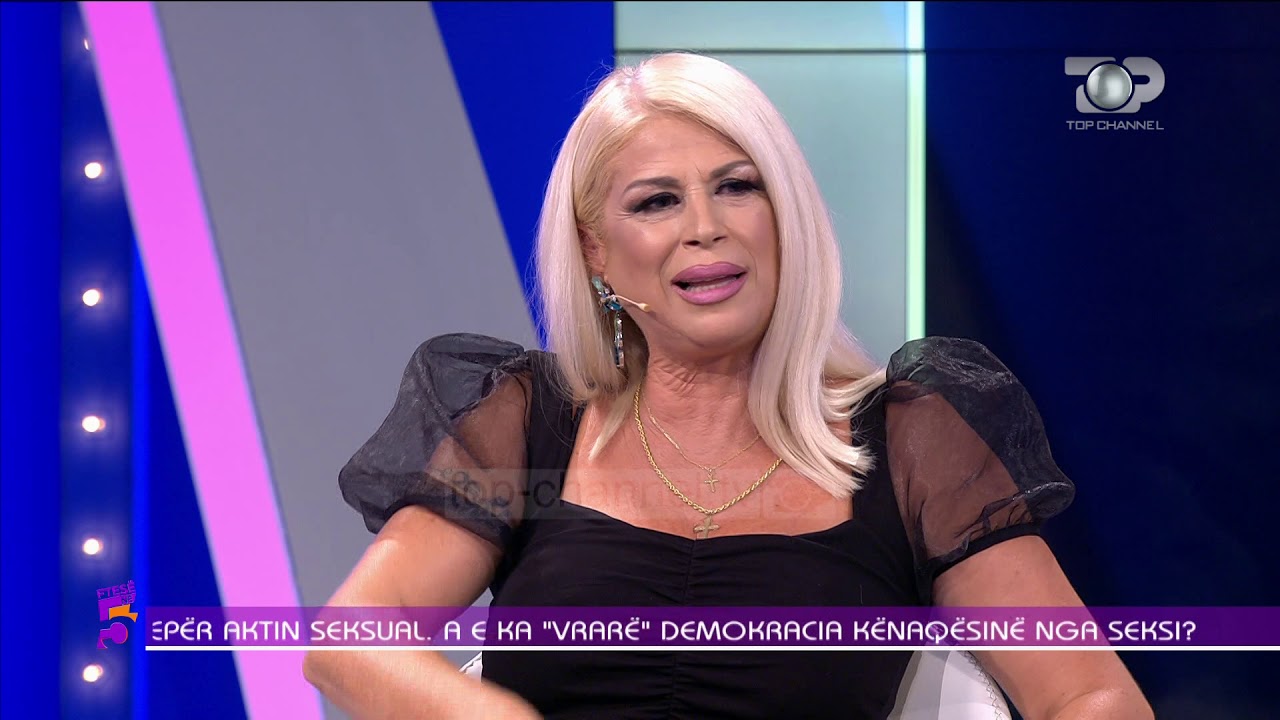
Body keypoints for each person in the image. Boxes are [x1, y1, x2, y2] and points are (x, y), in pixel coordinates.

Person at [303, 52, 1153, 719]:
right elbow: (349, 642)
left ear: (785, 215)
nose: (704, 228)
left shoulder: (911, 440)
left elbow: (1090, 695)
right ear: (596, 252)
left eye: (737, 187)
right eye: (656, 202)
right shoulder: (527, 422)